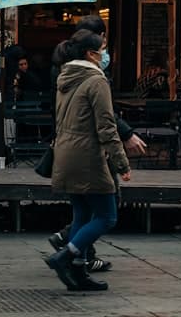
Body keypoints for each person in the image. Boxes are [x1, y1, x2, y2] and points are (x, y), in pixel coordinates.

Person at [48, 14, 145, 273]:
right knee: (106, 216)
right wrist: (122, 163)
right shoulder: (96, 81)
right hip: (89, 157)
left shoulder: (64, 77)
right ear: (92, 54)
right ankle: (66, 256)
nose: (105, 54)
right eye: (103, 50)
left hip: (65, 153)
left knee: (81, 214)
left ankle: (78, 267)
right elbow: (106, 127)